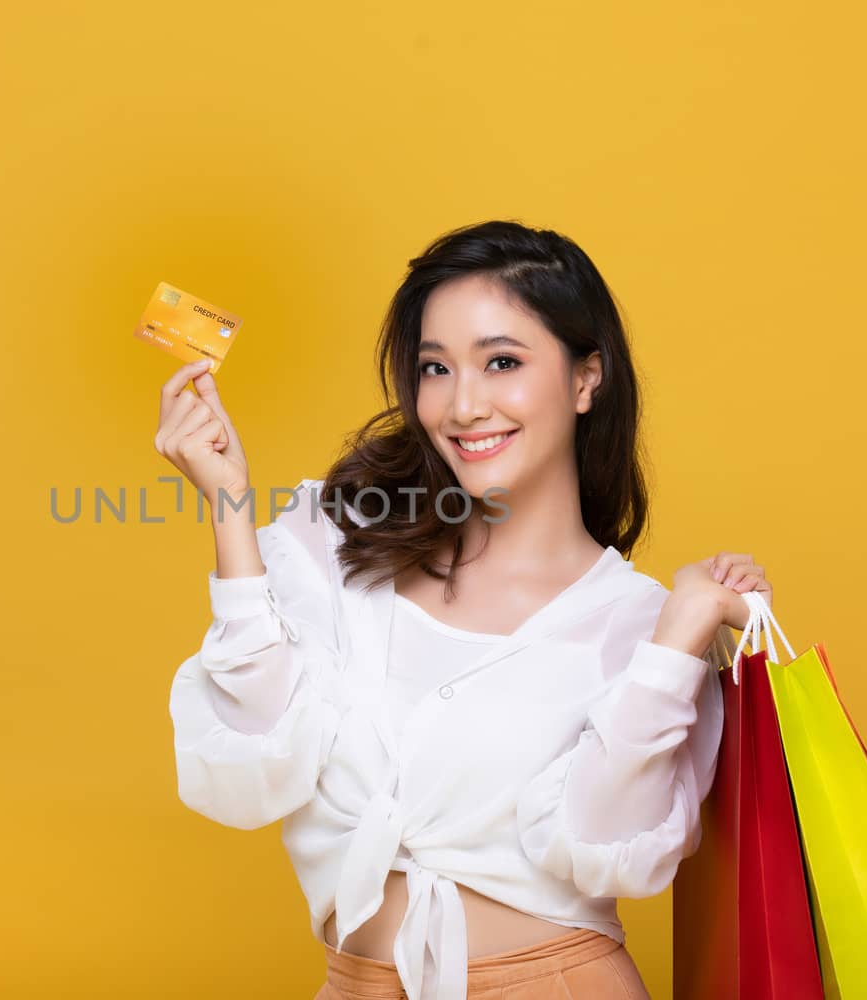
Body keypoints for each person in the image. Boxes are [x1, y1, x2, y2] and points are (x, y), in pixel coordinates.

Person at [156, 220, 772, 1000]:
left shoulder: (638, 624)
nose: (464, 404)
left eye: (502, 362)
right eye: (435, 368)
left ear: (588, 379)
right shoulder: (337, 547)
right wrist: (229, 512)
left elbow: (611, 848)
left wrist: (679, 637)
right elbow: (248, 771)